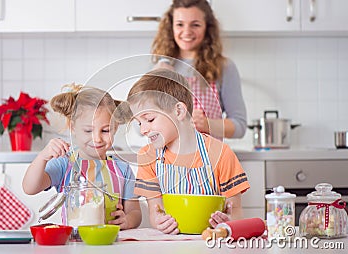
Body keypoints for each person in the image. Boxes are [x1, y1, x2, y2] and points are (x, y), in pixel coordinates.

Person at [126, 68, 250, 234]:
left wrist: (228, 223)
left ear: (179, 111)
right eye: (139, 123)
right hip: (169, 244)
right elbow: (155, 212)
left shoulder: (221, 153)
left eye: (149, 119)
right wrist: (160, 223)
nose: (143, 130)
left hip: (211, 243)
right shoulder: (147, 156)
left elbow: (235, 212)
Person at [22, 84, 141, 230]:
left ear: (115, 128)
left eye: (105, 130)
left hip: (112, 245)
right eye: (88, 130)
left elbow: (134, 211)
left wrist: (128, 220)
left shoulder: (122, 169)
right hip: (74, 245)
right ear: (73, 127)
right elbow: (30, 187)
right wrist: (42, 157)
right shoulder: (65, 164)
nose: (97, 138)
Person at [151, 0, 247, 139]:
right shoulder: (160, 67)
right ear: (170, 27)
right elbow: (138, 126)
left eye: (195, 25)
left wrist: (207, 124)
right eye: (179, 24)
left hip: (209, 159)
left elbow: (239, 127)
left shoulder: (224, 67)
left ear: (207, 27)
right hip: (167, 160)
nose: (187, 32)